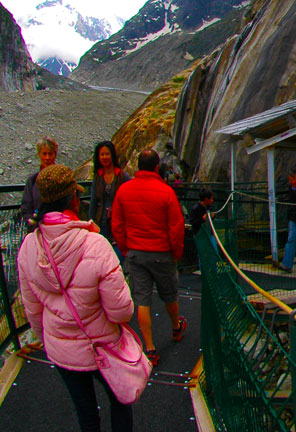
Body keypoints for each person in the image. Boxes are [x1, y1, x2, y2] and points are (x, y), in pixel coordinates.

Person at [17, 164, 135, 432]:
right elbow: (121, 311)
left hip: (61, 348)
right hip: (102, 345)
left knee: (86, 413)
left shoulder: (28, 247)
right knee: (120, 400)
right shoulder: (95, 243)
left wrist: (46, 339)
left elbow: (32, 309)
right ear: (74, 198)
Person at [111, 149, 186, 366]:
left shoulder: (124, 191)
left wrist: (126, 249)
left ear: (137, 166)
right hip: (162, 253)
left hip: (135, 252)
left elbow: (117, 223)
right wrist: (176, 252)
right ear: (156, 167)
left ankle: (150, 348)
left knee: (142, 299)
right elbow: (176, 227)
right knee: (169, 294)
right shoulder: (166, 192)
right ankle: (175, 328)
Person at [88, 141, 131, 260]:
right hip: (101, 223)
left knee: (117, 257)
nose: (104, 157)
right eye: (102, 155)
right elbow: (93, 202)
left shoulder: (123, 177)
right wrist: (90, 222)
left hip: (119, 224)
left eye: (107, 154)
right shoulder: (98, 177)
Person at [20, 136, 58, 229]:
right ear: (39, 154)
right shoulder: (33, 180)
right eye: (44, 154)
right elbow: (26, 205)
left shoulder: (62, 177)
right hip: (37, 227)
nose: (47, 158)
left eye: (50, 154)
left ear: (55, 154)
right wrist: (29, 220)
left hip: (57, 227)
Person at [183, 188, 214, 270]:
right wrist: (203, 219)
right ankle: (204, 271)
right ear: (206, 199)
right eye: (211, 198)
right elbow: (193, 223)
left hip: (209, 233)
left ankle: (212, 270)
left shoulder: (209, 207)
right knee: (203, 254)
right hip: (200, 234)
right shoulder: (196, 209)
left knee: (213, 252)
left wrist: (212, 217)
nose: (212, 200)